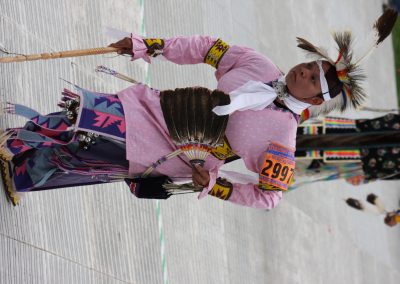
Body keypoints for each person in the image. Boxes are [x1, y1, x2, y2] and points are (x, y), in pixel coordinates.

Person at [0, 10, 397, 208]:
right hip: (154, 110)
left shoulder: (282, 139)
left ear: (314, 100)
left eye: (313, 78)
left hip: (169, 156)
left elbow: (269, 196)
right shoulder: (260, 66)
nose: (305, 71)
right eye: (310, 65)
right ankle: (11, 142)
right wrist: (147, 45)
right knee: (79, 118)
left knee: (83, 153)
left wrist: (214, 185)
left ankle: (20, 170)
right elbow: (207, 48)